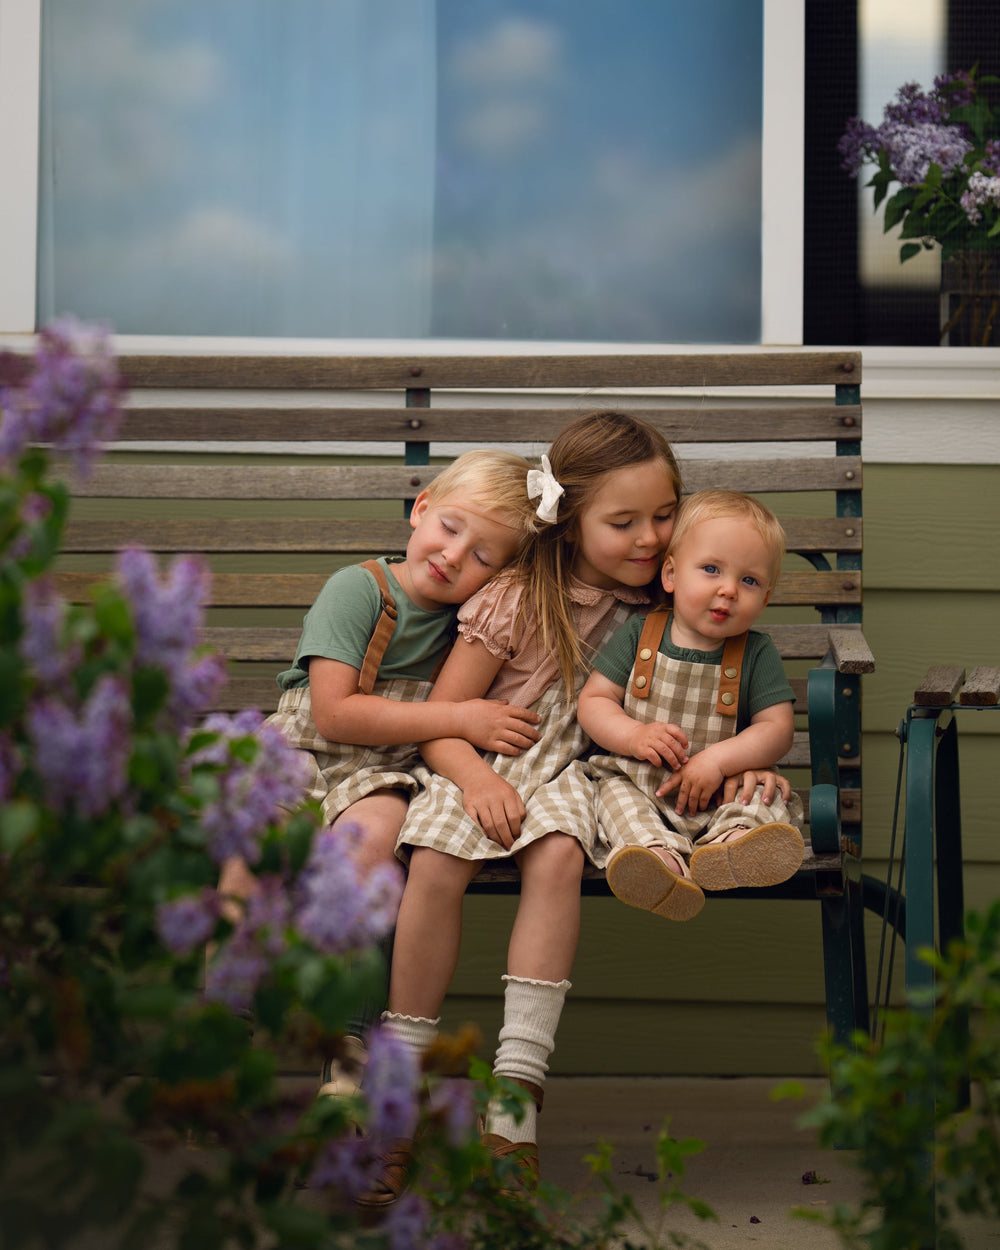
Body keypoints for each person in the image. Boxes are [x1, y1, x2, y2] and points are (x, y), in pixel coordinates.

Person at [354, 410, 684, 1212]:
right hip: (485, 765)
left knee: (562, 853)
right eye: (623, 521)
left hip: (578, 774)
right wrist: (477, 780)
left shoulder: (666, 603)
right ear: (569, 525)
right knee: (432, 859)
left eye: (664, 514)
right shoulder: (515, 598)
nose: (649, 538)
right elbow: (444, 718)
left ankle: (514, 1104)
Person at [217, 449, 543, 1091]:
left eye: (483, 556)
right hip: (304, 752)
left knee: (375, 856)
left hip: (386, 770)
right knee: (251, 858)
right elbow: (335, 715)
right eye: (450, 528)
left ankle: (351, 1052)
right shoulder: (359, 588)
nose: (454, 555)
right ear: (421, 511)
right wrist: (463, 721)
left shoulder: (474, 623)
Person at [577, 489, 804, 923]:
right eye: (712, 569)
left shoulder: (756, 652)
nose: (728, 590)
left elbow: (776, 728)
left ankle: (733, 846)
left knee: (763, 794)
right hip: (643, 780)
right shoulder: (640, 636)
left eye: (749, 581)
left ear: (766, 598)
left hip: (722, 789)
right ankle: (659, 862)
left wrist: (719, 761)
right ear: (671, 574)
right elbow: (594, 701)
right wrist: (634, 735)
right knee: (613, 798)